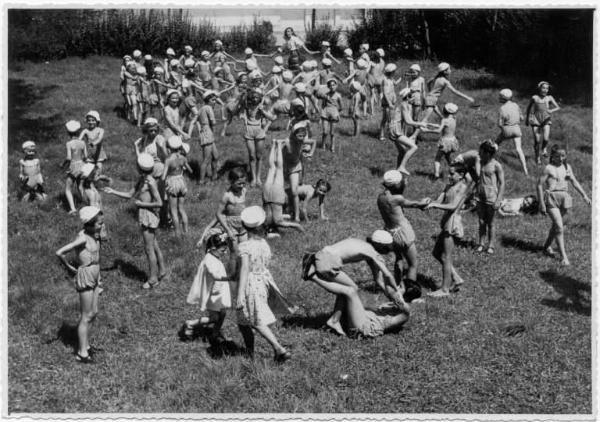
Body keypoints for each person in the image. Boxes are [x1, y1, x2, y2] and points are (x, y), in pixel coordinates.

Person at [301, 231, 409, 337]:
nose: (389, 251)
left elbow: (378, 280)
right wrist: (396, 290)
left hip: (323, 256)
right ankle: (312, 275)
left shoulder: (363, 245)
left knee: (348, 289)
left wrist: (387, 292)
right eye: (388, 248)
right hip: (328, 261)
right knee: (351, 288)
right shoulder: (371, 251)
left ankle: (335, 320)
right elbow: (388, 275)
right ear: (381, 245)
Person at [236, 206, 293, 362]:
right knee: (244, 321)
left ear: (244, 225)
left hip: (250, 284)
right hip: (264, 281)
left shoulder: (244, 246)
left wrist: (240, 294)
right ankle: (249, 353)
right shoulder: (263, 243)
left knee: (254, 319)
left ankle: (278, 348)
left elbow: (245, 268)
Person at [103, 153, 166, 289]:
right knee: (154, 244)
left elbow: (159, 203)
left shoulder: (151, 182)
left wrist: (142, 205)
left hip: (149, 216)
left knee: (149, 249)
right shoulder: (142, 179)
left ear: (140, 168)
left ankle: (153, 279)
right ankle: (162, 270)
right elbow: (130, 195)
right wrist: (113, 191)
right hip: (145, 215)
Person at [56, 206, 104, 363]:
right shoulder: (82, 238)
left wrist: (100, 278)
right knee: (86, 315)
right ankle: (81, 353)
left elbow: (96, 256)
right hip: (86, 275)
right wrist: (69, 267)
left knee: (94, 312)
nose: (101, 226)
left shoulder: (94, 235)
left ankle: (87, 345)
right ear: (89, 224)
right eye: (98, 224)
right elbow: (60, 252)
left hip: (95, 275)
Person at [377, 170, 430, 302]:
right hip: (403, 233)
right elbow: (417, 204)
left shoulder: (381, 198)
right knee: (413, 264)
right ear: (395, 184)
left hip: (390, 232)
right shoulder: (397, 199)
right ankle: (409, 295)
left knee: (399, 260)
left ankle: (396, 287)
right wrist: (426, 201)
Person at [537, 145, 590, 266]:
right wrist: (541, 203)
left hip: (565, 199)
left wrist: (585, 196)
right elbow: (539, 185)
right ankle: (563, 257)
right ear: (552, 156)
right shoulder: (548, 168)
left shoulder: (567, 167)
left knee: (556, 226)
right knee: (559, 227)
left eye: (563, 156)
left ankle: (546, 247)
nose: (560, 158)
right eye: (557, 156)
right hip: (551, 199)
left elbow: (574, 182)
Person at [424, 164, 470, 297]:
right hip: (446, 222)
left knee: (446, 256)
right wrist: (429, 203)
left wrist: (435, 205)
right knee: (437, 253)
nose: (449, 176)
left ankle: (444, 289)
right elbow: (440, 198)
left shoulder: (462, 187)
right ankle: (456, 278)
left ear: (461, 175)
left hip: (452, 223)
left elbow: (453, 206)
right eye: (449, 174)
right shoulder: (449, 185)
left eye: (452, 174)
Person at [185, 231, 238, 342]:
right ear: (213, 249)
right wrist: (229, 278)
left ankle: (215, 333)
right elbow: (214, 275)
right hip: (213, 293)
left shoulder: (214, 257)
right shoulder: (209, 260)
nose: (225, 253)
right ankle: (191, 324)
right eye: (222, 250)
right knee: (215, 317)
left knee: (222, 313)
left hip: (218, 291)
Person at [263, 139, 305, 235]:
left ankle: (277, 144)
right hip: (266, 195)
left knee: (279, 169)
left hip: (276, 197)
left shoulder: (276, 222)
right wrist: (296, 224)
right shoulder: (264, 220)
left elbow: (292, 225)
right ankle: (274, 144)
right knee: (272, 168)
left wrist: (298, 227)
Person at [240, 88, 275, 186]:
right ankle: (253, 178)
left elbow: (271, 118)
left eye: (257, 97)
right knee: (252, 156)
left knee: (259, 156)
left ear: (259, 98)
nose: (255, 99)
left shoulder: (261, 107)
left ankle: (258, 178)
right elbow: (241, 101)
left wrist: (263, 112)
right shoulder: (247, 106)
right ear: (250, 98)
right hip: (249, 131)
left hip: (259, 131)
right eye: (253, 97)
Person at [476, 140, 505, 254]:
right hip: (480, 195)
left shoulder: (497, 165)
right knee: (481, 221)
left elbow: (502, 183)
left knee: (491, 223)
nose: (479, 153)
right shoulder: (481, 162)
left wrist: (499, 199)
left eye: (481, 151)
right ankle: (481, 243)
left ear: (487, 153)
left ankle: (491, 245)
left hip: (491, 196)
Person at [388, 88, 427, 175]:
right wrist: (420, 123)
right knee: (414, 147)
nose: (415, 99)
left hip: (395, 129)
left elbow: (409, 120)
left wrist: (419, 125)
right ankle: (402, 167)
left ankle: (397, 171)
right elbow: (408, 121)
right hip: (396, 130)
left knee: (402, 151)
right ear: (408, 97)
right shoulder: (404, 105)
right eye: (413, 97)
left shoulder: (405, 105)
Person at [420, 103, 460, 179]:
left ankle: (436, 175)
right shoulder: (454, 119)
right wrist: (431, 124)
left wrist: (426, 130)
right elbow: (445, 127)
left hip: (445, 142)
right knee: (448, 156)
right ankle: (453, 171)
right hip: (453, 141)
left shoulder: (444, 120)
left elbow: (439, 130)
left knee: (437, 158)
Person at [162, 136, 191, 236]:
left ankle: (177, 233)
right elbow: (190, 170)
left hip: (172, 183)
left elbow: (163, 177)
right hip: (181, 181)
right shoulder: (183, 158)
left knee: (173, 210)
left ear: (169, 147)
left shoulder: (168, 159)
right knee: (181, 208)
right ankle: (186, 231)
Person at [526, 81, 561, 164]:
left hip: (546, 118)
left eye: (547, 88)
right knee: (537, 141)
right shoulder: (534, 97)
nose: (545, 90)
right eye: (543, 88)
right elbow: (528, 108)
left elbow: (558, 107)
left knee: (546, 138)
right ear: (539, 89)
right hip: (536, 119)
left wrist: (551, 110)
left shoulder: (549, 98)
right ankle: (537, 157)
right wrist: (527, 119)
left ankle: (544, 148)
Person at [495, 89, 528, 175]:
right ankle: (525, 170)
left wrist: (503, 131)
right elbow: (522, 118)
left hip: (507, 129)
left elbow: (499, 124)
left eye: (500, 96)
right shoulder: (515, 105)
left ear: (503, 98)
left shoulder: (502, 108)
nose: (498, 98)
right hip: (517, 129)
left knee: (496, 143)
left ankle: (491, 159)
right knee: (518, 149)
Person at [216, 167, 249, 246]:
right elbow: (218, 213)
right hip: (231, 227)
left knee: (244, 249)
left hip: (243, 225)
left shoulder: (244, 191)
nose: (242, 186)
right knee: (234, 251)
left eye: (243, 183)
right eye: (239, 183)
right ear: (231, 182)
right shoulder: (227, 196)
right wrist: (227, 230)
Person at [79, 163, 109, 242]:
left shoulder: (92, 187)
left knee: (100, 239)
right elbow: (92, 211)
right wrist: (98, 222)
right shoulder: (90, 192)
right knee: (96, 239)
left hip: (99, 218)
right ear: (90, 176)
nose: (98, 176)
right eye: (96, 174)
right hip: (96, 220)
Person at [62, 120, 87, 214]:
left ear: (68, 132)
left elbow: (68, 158)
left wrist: (63, 164)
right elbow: (86, 156)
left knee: (68, 188)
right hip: (82, 166)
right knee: (80, 187)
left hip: (73, 166)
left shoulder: (69, 143)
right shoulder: (82, 143)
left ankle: (73, 209)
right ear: (79, 131)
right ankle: (87, 204)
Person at [197, 90, 219, 183]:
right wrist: (213, 133)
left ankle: (214, 176)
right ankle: (201, 180)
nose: (215, 102)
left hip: (206, 131)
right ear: (208, 100)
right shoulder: (208, 108)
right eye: (213, 100)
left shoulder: (202, 108)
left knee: (216, 156)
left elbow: (197, 120)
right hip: (207, 132)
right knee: (206, 159)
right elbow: (213, 122)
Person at [317, 79, 343, 152]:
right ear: (328, 86)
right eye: (330, 85)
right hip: (325, 112)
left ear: (336, 86)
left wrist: (337, 113)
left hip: (334, 113)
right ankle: (323, 144)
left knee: (332, 133)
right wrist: (322, 114)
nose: (332, 87)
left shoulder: (338, 96)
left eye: (333, 85)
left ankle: (332, 145)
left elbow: (341, 107)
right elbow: (323, 104)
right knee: (325, 131)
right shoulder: (326, 95)